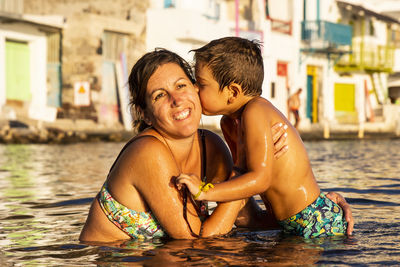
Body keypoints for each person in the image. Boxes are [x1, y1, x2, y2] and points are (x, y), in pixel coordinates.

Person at [79, 48, 294, 242]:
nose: (177, 99)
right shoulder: (147, 152)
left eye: (181, 86)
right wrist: (244, 168)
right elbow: (192, 239)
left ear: (195, 89)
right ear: (144, 114)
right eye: (160, 95)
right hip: (113, 256)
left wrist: (317, 212)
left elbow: (248, 218)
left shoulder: (211, 147)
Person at [176, 37, 353, 238]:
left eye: (201, 83)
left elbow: (259, 179)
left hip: (315, 220)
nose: (194, 89)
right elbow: (240, 175)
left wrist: (205, 191)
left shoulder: (256, 112)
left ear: (232, 92)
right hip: (288, 223)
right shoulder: (228, 123)